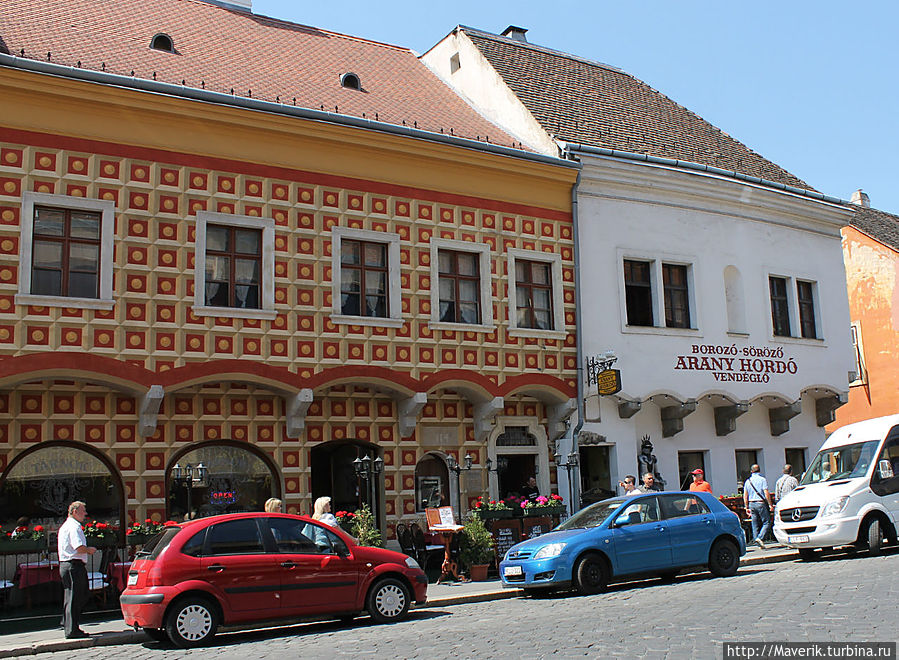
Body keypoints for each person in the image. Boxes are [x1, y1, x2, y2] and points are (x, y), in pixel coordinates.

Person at [58, 501, 97, 639]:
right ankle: (72, 629)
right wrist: (90, 550)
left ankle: (67, 623)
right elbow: (78, 547)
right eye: (83, 511)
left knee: (72, 596)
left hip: (66, 565)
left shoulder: (65, 526)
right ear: (75, 511)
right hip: (73, 565)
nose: (85, 514)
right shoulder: (74, 527)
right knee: (76, 596)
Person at [743, 464, 774, 549]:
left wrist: (746, 507)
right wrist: (770, 504)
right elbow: (766, 493)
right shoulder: (762, 480)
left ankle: (757, 540)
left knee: (755, 523)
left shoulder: (748, 481)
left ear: (751, 471)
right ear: (759, 471)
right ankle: (760, 538)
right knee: (766, 522)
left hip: (751, 504)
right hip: (760, 503)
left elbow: (745, 495)